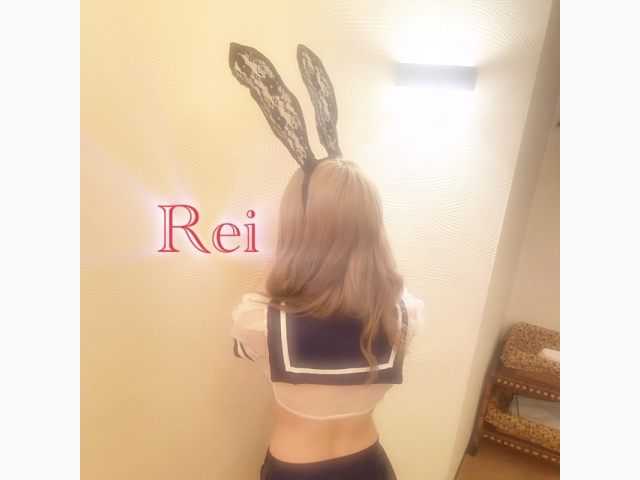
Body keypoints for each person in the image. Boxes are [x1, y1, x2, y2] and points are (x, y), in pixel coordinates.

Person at [230, 158, 425, 480]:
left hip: (295, 470)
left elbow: (247, 314)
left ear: (296, 224)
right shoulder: (406, 313)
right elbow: (387, 280)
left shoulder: (262, 321)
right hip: (370, 465)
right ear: (372, 224)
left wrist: (290, 249)